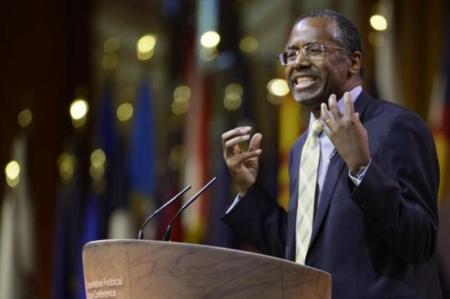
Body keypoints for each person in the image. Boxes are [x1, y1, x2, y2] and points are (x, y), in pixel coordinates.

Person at [221, 9, 441, 299]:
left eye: (313, 50)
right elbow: (303, 252)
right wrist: (248, 191)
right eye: (290, 54)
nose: (298, 62)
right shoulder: (302, 147)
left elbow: (420, 241)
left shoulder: (397, 126)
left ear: (353, 61)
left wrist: (362, 168)